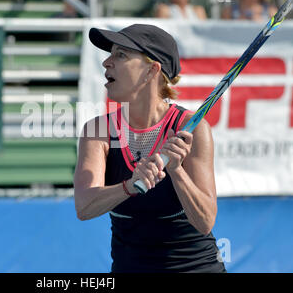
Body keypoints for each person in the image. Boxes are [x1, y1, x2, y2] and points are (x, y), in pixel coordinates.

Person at [73, 24, 226, 272]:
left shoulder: (191, 128)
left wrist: (177, 171)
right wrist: (130, 186)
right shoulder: (97, 131)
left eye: (121, 55)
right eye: (110, 54)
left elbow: (205, 220)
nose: (107, 62)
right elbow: (84, 206)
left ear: (151, 71)